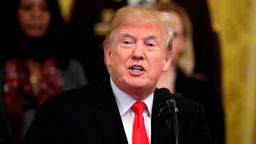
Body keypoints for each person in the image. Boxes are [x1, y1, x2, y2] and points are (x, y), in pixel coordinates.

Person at [23, 6, 216, 144]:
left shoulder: (186, 116)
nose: (138, 53)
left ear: (166, 60)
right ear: (108, 54)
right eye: (127, 42)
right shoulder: (62, 113)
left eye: (150, 45)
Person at [2, 0, 87, 143]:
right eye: (28, 8)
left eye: (44, 9)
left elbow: (85, 124)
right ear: (14, 13)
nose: (36, 15)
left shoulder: (71, 68)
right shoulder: (3, 67)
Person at [154, 2, 225, 144]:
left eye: (173, 34)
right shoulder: (123, 89)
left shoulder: (204, 93)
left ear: (184, 42)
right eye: (158, 33)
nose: (165, 42)